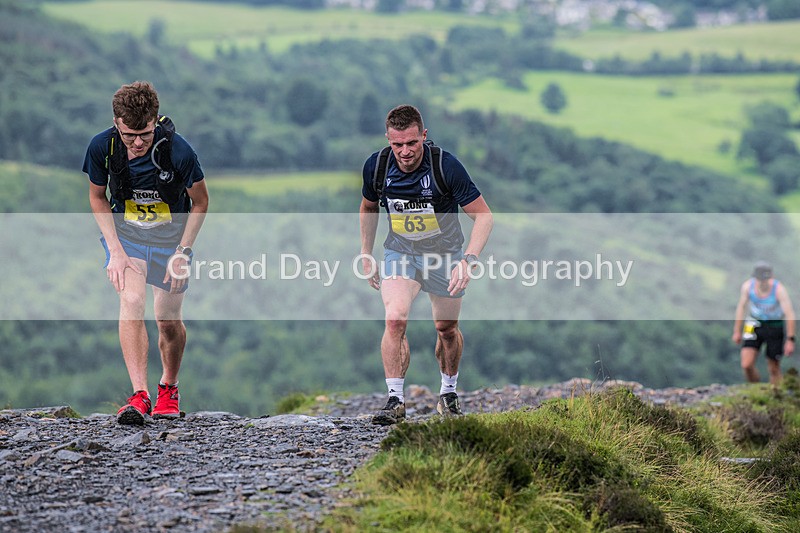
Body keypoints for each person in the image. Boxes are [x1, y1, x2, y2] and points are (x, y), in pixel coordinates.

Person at [83, 81, 209, 425]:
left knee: (167, 320)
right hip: (127, 238)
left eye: (145, 134)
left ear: (155, 121)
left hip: (172, 242)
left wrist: (183, 252)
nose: (137, 142)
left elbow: (200, 202)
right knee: (132, 300)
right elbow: (97, 197)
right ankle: (139, 394)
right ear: (116, 123)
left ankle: (169, 385)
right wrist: (115, 249)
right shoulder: (102, 147)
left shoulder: (179, 151)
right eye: (129, 135)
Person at [359, 104, 493, 425]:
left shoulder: (445, 167)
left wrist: (468, 260)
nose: (405, 152)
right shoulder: (377, 167)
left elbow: (484, 216)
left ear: (424, 136)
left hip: (445, 255)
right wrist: (365, 252)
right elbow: (368, 207)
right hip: (400, 253)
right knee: (395, 319)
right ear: (388, 140)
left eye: (412, 143)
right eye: (397, 145)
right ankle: (395, 400)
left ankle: (448, 394)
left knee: (445, 328)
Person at [733, 261, 796, 386]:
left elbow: (789, 314)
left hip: (775, 326)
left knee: (773, 366)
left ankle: (776, 394)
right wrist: (737, 331)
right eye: (760, 279)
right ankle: (755, 389)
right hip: (753, 324)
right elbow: (742, 307)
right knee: (746, 364)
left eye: (765, 279)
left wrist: (790, 339)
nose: (763, 283)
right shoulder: (748, 287)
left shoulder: (779, 290)